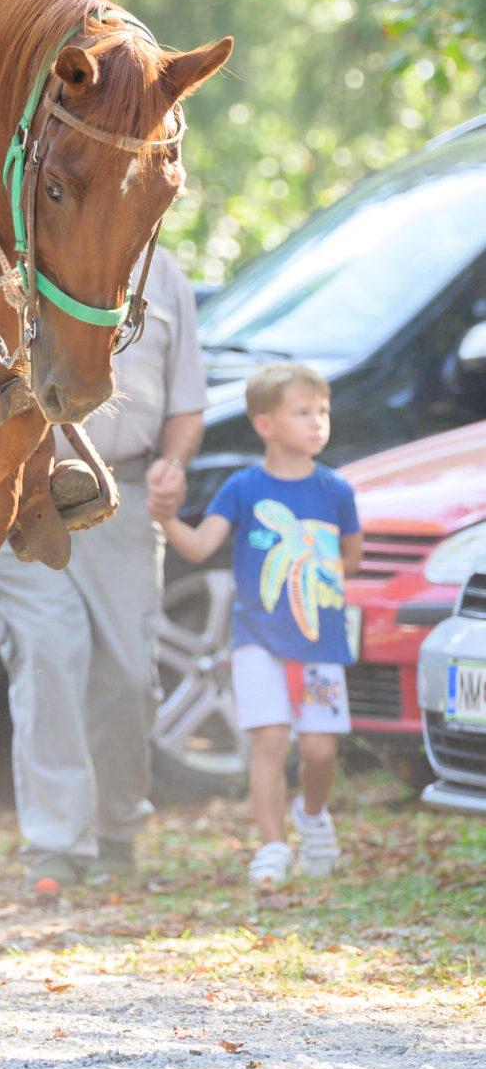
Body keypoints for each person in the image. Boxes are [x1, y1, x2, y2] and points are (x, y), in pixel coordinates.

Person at [0, 244, 204, 898]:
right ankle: (56, 844)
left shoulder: (167, 275)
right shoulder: (15, 250)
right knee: (48, 654)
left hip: (125, 495)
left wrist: (173, 463)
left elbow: (186, 404)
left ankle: (115, 829)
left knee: (129, 675)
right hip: (26, 491)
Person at [161, 363, 361, 888]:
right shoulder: (243, 487)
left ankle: (312, 816)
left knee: (319, 750)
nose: (318, 422)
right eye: (303, 412)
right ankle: (272, 846)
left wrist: (312, 562)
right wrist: (166, 518)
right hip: (257, 641)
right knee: (270, 741)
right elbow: (200, 546)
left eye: (323, 412)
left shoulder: (336, 490)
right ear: (265, 424)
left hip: (320, 642)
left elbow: (352, 558)